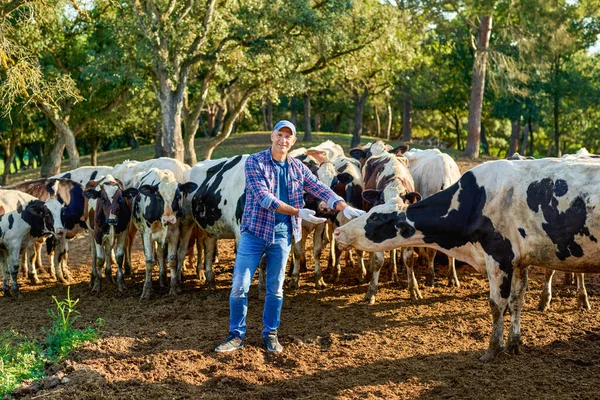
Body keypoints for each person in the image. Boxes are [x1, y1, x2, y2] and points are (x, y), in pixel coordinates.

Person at [215, 120, 365, 353]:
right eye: (279, 135)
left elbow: (319, 188)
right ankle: (236, 335)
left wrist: (342, 206)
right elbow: (264, 198)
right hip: (254, 233)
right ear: (272, 137)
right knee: (239, 286)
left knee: (275, 288)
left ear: (293, 141)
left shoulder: (297, 167)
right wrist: (297, 211)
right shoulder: (255, 162)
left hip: (282, 236)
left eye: (288, 137)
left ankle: (270, 334)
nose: (283, 140)